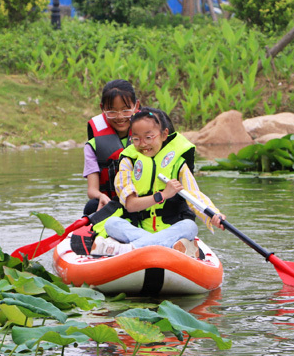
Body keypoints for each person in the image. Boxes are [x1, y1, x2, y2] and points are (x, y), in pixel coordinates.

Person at [91, 108, 225, 257]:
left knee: (190, 226)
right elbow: (130, 205)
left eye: (148, 137)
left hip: (171, 227)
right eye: (136, 139)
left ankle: (129, 249)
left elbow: (195, 196)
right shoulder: (128, 162)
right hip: (139, 228)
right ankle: (171, 245)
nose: (143, 144)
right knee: (112, 223)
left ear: (163, 135)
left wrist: (214, 215)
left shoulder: (178, 164)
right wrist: (162, 195)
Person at [82, 79, 140, 215]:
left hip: (143, 200)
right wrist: (101, 196)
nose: (120, 117)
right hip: (111, 202)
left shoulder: (148, 137)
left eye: (125, 110)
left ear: (136, 106)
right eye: (112, 111)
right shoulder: (93, 146)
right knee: (91, 206)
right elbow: (92, 190)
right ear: (102, 108)